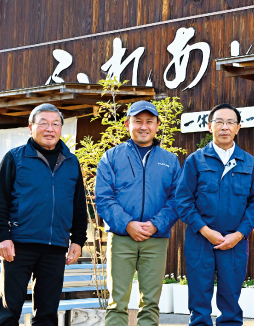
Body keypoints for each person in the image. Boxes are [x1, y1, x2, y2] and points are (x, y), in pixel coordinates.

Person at [0, 103, 88, 326]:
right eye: (43, 123)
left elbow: (78, 205)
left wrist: (78, 240)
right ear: (30, 127)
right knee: (9, 311)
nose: (49, 129)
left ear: (61, 129)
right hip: (19, 244)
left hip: (55, 247)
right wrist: (2, 237)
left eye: (55, 124)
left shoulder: (71, 163)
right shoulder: (15, 158)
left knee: (47, 314)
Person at [175, 103, 254, 326]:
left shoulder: (249, 163)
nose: (224, 127)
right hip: (200, 239)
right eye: (219, 122)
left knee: (231, 302)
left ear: (238, 128)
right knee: (199, 302)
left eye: (230, 123)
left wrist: (239, 234)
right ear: (209, 126)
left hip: (234, 241)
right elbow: (183, 201)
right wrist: (205, 231)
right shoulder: (195, 161)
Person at [95, 100, 181, 326]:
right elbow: (104, 198)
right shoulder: (111, 157)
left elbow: (177, 199)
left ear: (157, 125)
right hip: (121, 237)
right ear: (127, 124)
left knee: (151, 303)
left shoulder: (170, 160)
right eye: (137, 121)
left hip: (156, 238)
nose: (143, 126)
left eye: (149, 122)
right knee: (117, 302)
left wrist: (156, 224)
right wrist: (127, 224)